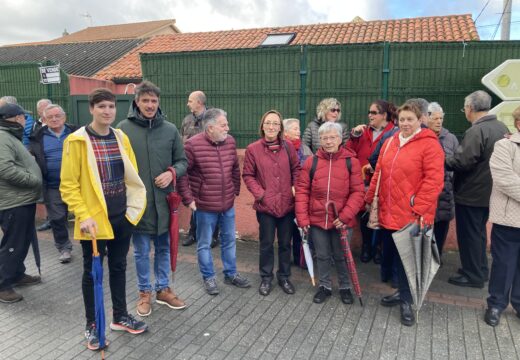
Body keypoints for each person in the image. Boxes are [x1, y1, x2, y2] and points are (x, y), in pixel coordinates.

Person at [60, 88, 148, 351]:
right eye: (101, 107)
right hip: (94, 223)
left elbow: (131, 174)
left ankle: (120, 316)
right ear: (91, 109)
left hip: (121, 216)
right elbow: (68, 184)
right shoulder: (76, 141)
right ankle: (93, 325)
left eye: (111, 107)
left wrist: (133, 212)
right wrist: (82, 215)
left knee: (119, 267)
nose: (107, 111)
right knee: (92, 273)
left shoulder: (121, 137)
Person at [365, 102, 444, 326]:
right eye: (402, 119)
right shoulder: (390, 142)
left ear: (420, 120)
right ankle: (402, 293)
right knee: (395, 258)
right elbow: (378, 172)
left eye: (410, 119)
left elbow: (434, 181)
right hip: (389, 213)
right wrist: (369, 198)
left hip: (412, 215)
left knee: (409, 262)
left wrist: (417, 207)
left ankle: (408, 303)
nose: (406, 123)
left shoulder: (430, 145)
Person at [117, 81, 188, 317]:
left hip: (164, 203)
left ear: (159, 103)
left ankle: (163, 289)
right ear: (136, 102)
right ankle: (144, 293)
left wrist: (171, 173)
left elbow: (183, 161)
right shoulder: (123, 129)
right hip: (137, 204)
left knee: (163, 249)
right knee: (140, 251)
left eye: (153, 101)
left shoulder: (170, 129)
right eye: (145, 100)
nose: (149, 105)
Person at [178, 108, 250, 295]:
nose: (228, 127)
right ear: (210, 128)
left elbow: (235, 168)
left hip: (227, 204)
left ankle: (231, 274)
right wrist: (188, 200)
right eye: (223, 124)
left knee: (229, 240)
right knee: (204, 243)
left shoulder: (230, 142)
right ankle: (208, 277)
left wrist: (235, 189)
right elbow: (182, 174)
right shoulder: (192, 145)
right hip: (204, 206)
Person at [295, 122, 364, 304]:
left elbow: (358, 192)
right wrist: (303, 218)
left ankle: (345, 287)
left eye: (332, 137)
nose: (328, 141)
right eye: (324, 137)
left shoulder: (351, 162)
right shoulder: (312, 161)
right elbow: (302, 191)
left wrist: (345, 216)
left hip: (341, 220)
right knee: (322, 255)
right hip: (317, 219)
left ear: (340, 139)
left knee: (342, 256)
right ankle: (324, 286)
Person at [446, 90, 509, 289]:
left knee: (469, 235)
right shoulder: (501, 127)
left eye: (464, 108)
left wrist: (442, 160)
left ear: (470, 108)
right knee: (479, 233)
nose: (465, 111)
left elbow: (463, 161)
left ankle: (472, 275)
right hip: (489, 192)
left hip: (471, 192)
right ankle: (480, 270)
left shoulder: (476, 130)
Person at [243, 110, 301, 296]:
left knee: (285, 243)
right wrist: (261, 194)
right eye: (268, 123)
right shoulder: (253, 149)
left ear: (280, 128)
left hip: (287, 204)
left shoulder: (289, 147)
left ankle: (284, 277)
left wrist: (295, 187)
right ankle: (266, 278)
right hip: (266, 206)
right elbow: (248, 175)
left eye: (275, 123)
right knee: (266, 243)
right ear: (262, 126)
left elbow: (296, 169)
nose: (271, 126)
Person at [0, 103, 42, 304]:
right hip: (13, 202)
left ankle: (16, 273)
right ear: (16, 118)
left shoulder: (9, 135)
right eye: (24, 117)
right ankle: (2, 284)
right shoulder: (2, 137)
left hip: (21, 199)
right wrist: (32, 179)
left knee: (22, 241)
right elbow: (5, 169)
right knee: (13, 243)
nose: (26, 120)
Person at [346, 100, 397, 264]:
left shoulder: (393, 132)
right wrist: (354, 136)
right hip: (362, 181)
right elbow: (348, 151)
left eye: (374, 112)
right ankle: (367, 247)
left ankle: (379, 249)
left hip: (383, 181)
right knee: (364, 215)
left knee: (381, 215)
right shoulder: (362, 132)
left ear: (384, 115)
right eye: (369, 112)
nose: (370, 115)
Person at [484, 106, 520, 327]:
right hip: (509, 219)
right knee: (503, 265)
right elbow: (505, 179)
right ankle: (496, 304)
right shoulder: (505, 146)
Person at [29, 104, 76, 263]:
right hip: (52, 185)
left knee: (85, 215)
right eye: (50, 117)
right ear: (44, 119)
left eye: (58, 116)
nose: (54, 119)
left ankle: (92, 245)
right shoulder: (37, 137)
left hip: (78, 185)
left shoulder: (76, 133)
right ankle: (64, 248)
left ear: (64, 117)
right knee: (57, 218)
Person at [179, 90, 219, 248]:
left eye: (190, 101)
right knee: (194, 202)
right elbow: (182, 142)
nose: (188, 104)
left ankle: (214, 236)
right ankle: (193, 234)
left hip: (209, 169)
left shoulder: (213, 119)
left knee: (212, 203)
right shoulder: (187, 120)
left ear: (199, 103)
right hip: (191, 169)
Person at [426, 102, 458, 258]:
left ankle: (436, 258)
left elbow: (457, 161)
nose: (439, 122)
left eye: (441, 118)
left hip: (445, 193)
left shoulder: (450, 138)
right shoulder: (422, 137)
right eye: (435, 118)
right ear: (427, 118)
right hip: (428, 193)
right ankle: (425, 259)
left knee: (441, 228)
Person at [283, 118, 312, 267]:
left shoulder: (305, 149)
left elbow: (311, 169)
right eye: (295, 128)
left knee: (300, 229)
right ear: (285, 132)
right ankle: (285, 259)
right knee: (286, 230)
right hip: (286, 197)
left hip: (301, 195)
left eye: (298, 128)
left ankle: (299, 258)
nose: (298, 131)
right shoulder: (281, 148)